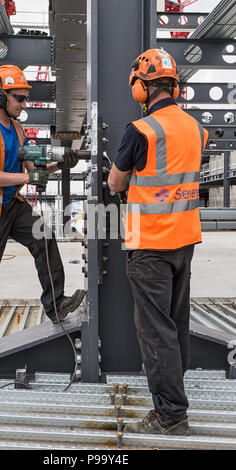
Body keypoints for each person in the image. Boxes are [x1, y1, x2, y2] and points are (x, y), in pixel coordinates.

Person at [108, 49, 208, 435]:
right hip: (185, 241)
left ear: (142, 87)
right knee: (175, 324)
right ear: (175, 85)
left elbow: (116, 183)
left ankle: (170, 415)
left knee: (155, 331)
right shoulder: (195, 129)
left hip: (150, 244)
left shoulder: (142, 130)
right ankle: (173, 396)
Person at [0, 65, 85, 357]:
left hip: (11, 205)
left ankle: (56, 306)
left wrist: (61, 163)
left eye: (25, 98)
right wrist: (27, 178)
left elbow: (33, 168)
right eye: (19, 98)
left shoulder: (16, 128)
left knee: (44, 238)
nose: (24, 104)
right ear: (1, 97)